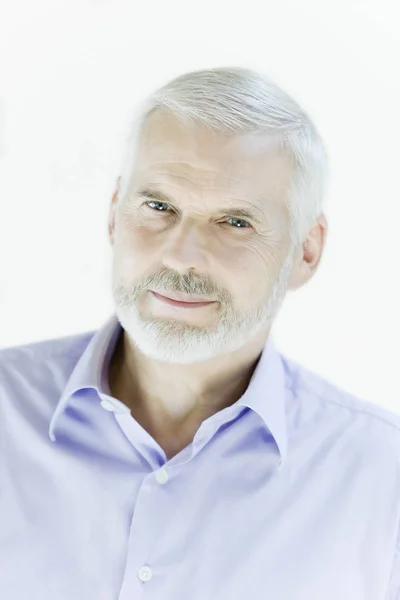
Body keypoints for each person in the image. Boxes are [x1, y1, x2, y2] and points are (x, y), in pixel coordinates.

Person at [0, 67, 399, 600]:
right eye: (159, 207)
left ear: (307, 251)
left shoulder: (382, 482)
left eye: (235, 223)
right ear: (114, 216)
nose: (183, 255)